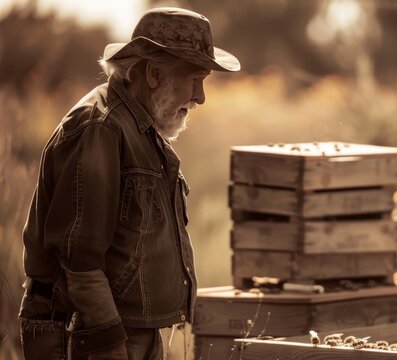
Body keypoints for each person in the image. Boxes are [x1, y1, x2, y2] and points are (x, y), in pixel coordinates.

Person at [18, 7, 239, 359]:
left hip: (123, 333)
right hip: (92, 337)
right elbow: (81, 263)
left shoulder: (137, 125)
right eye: (195, 79)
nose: (200, 97)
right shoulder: (101, 128)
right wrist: (110, 344)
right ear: (153, 73)